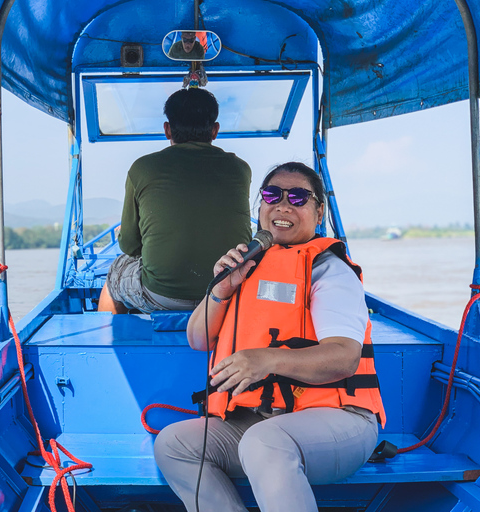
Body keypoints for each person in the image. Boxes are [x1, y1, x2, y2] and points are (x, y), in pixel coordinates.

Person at [153, 162, 386, 512]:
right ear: (259, 206)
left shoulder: (330, 272)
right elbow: (199, 338)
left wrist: (267, 359)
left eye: (298, 197)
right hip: (262, 420)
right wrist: (222, 289)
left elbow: (344, 357)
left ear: (318, 211)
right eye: (271, 195)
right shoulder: (247, 266)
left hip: (341, 422)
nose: (283, 205)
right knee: (174, 444)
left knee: (264, 442)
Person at [98, 88, 251, 314]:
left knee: (115, 274)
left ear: (167, 130)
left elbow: (129, 245)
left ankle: (109, 343)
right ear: (215, 130)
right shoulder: (240, 169)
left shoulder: (142, 168)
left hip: (162, 296)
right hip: (228, 290)